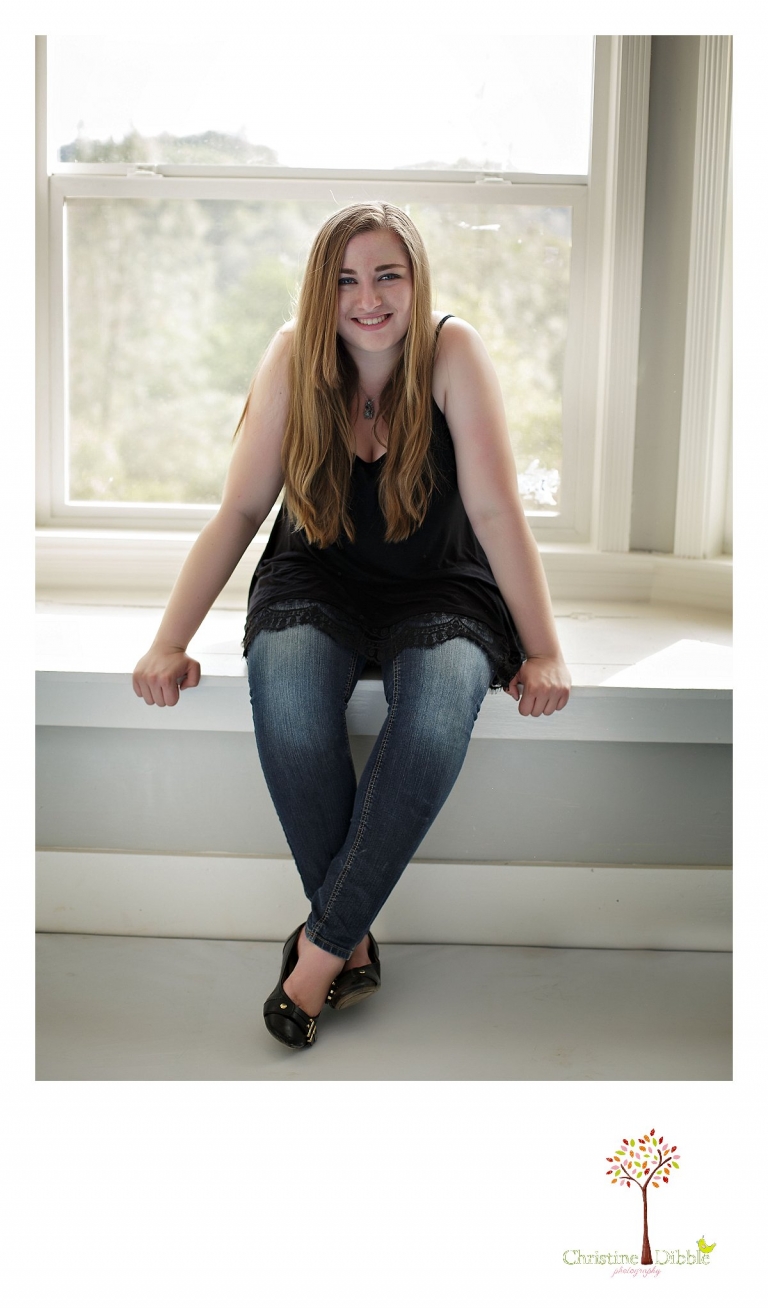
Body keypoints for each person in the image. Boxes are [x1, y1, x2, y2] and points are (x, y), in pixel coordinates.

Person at [132, 200, 571, 1051]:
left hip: (443, 589)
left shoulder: (452, 352)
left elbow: (495, 508)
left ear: (416, 282)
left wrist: (545, 649)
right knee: (290, 711)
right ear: (319, 290)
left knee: (437, 714)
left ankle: (322, 950)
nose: (366, 298)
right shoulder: (295, 355)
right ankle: (353, 940)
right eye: (344, 280)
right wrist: (167, 639)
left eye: (386, 275)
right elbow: (240, 510)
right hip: (316, 576)